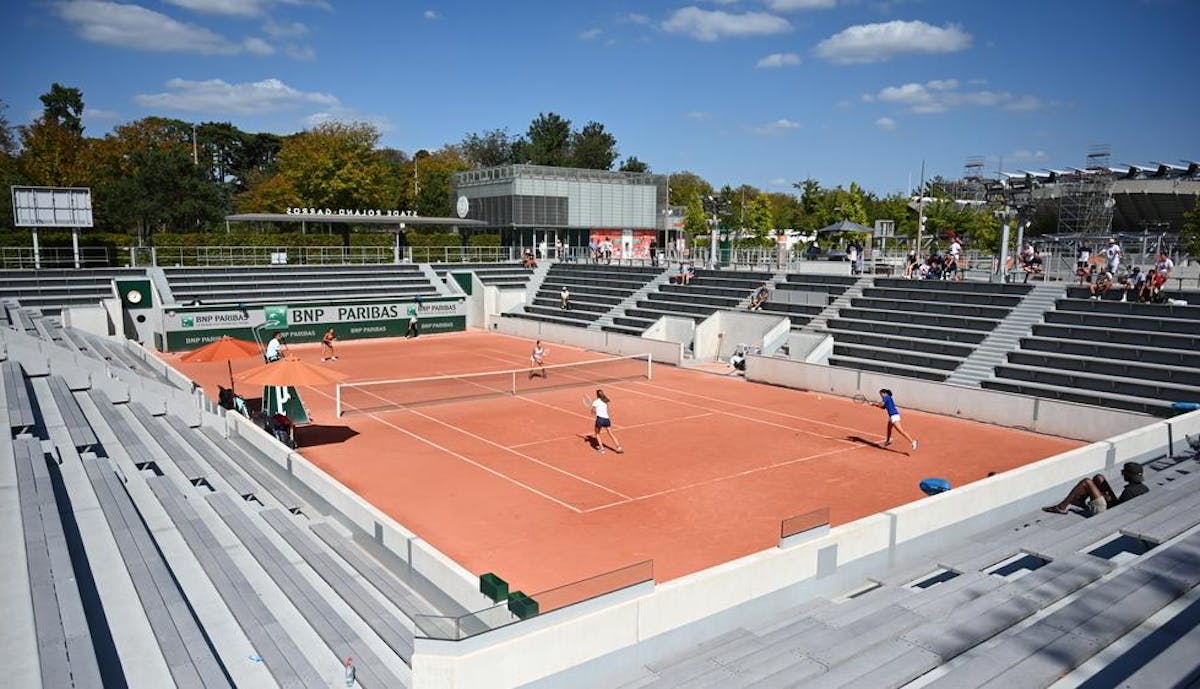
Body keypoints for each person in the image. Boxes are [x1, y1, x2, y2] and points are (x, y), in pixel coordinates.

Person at [1043, 462, 1148, 515]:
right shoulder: (1144, 488)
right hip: (1117, 508)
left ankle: (1061, 507)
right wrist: (1107, 496)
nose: (1122, 474)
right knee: (1099, 478)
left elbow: (1117, 511)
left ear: (1128, 475)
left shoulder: (1129, 491)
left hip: (1108, 513)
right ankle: (1079, 501)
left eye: (1123, 472)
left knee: (1086, 482)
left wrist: (1106, 497)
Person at [589, 389, 623, 455]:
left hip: (600, 419)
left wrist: (593, 411)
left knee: (597, 434)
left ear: (597, 395)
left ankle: (602, 449)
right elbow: (606, 410)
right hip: (607, 419)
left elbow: (592, 412)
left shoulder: (595, 402)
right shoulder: (605, 400)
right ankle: (618, 447)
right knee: (610, 433)